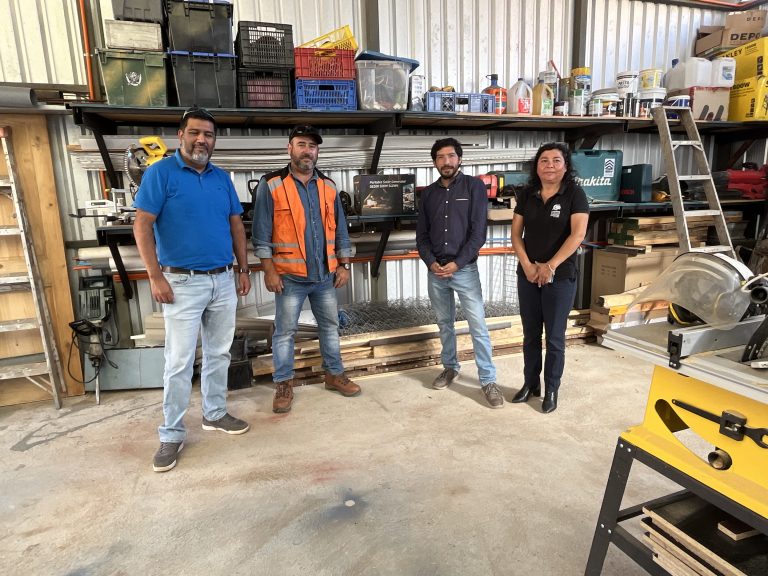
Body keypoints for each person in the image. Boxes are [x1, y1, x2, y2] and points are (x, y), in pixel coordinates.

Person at [134, 107, 252, 473]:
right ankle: (171, 433)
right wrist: (155, 276)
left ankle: (214, 413)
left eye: (209, 135)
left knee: (219, 353)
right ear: (181, 136)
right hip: (181, 283)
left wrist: (243, 268)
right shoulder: (160, 174)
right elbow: (142, 225)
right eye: (195, 133)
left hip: (222, 279)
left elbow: (236, 225)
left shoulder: (221, 178)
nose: (202, 140)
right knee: (179, 362)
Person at [252, 124, 360, 414]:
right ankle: (283, 383)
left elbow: (340, 231)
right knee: (285, 332)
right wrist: (269, 270)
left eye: (312, 146)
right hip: (289, 277)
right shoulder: (271, 184)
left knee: (330, 326)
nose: (307, 151)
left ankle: (334, 375)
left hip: (325, 276)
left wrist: (344, 264)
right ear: (290, 148)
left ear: (317, 152)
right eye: (301, 144)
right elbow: (261, 234)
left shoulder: (328, 186)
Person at [416, 137, 503, 409]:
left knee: (477, 324)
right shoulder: (428, 195)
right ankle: (450, 367)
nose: (446, 161)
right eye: (440, 157)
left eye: (451, 156)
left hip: (464, 270)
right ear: (434, 162)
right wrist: (431, 263)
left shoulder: (474, 187)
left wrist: (458, 263)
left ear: (460, 159)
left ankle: (488, 380)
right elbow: (422, 237)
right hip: (436, 271)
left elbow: (478, 234)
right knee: (445, 323)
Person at [510, 142, 589, 413]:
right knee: (530, 334)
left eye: (556, 160)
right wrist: (527, 265)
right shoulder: (527, 194)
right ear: (537, 166)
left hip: (561, 276)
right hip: (528, 275)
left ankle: (551, 389)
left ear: (566, 166)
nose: (550, 165)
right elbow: (516, 234)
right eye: (544, 160)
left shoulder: (575, 194)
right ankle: (530, 384)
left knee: (554, 338)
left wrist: (550, 266)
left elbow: (577, 235)